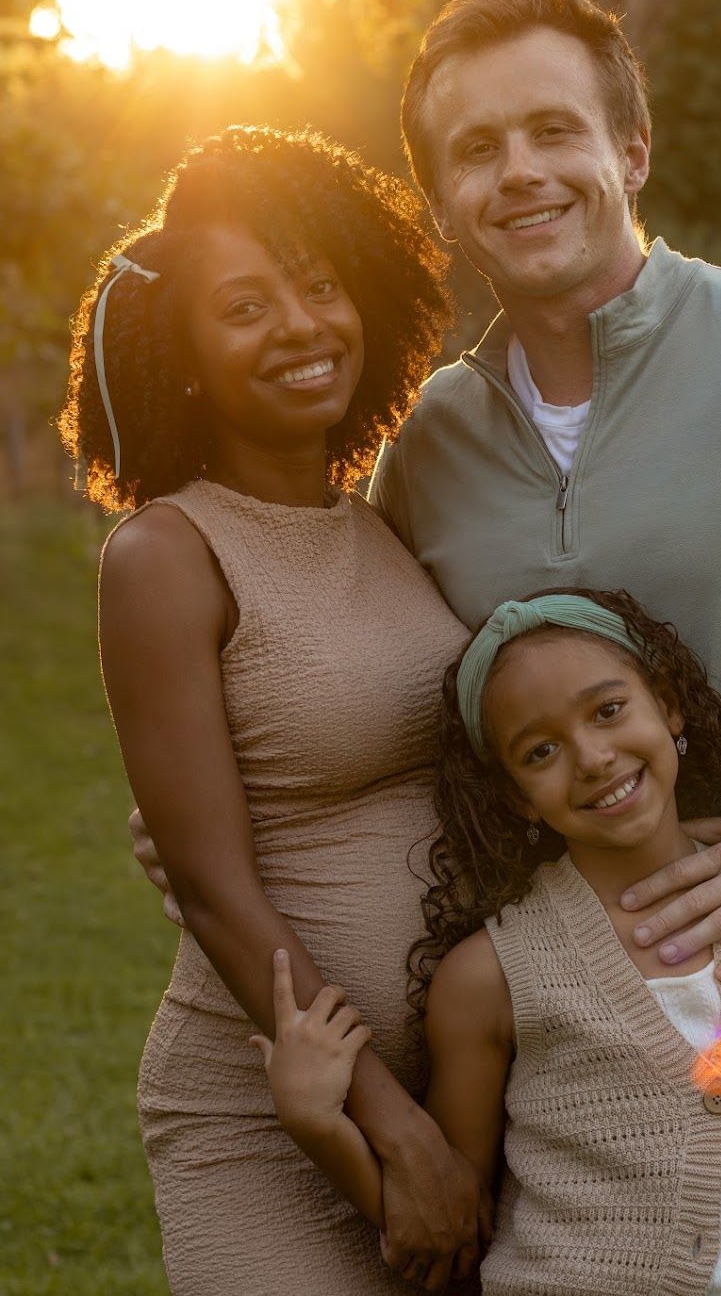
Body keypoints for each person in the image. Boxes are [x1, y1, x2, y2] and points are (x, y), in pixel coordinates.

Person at [132, 0, 721, 1290]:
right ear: (437, 200)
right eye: (476, 150)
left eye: (553, 129)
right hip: (552, 1051)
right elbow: (397, 690)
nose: (519, 172)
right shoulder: (428, 443)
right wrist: (223, 826)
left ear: (630, 149)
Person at [59, 125, 488, 1295]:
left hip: (462, 1092)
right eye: (246, 307)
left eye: (317, 284)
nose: (303, 327)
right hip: (266, 1107)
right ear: (184, 353)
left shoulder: (380, 519)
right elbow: (211, 882)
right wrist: (394, 1130)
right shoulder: (167, 551)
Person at [253, 588, 721, 1296]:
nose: (593, 757)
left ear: (669, 706)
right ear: (515, 797)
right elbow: (450, 1223)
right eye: (540, 751)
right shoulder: (492, 974)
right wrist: (317, 1124)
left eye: (608, 710)